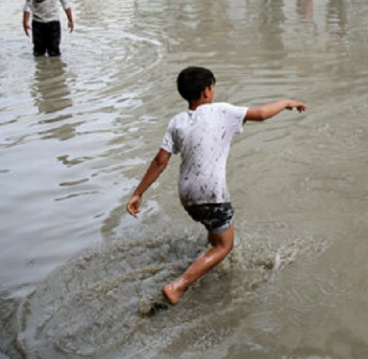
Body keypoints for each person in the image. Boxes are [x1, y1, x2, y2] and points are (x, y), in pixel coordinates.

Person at [126, 66, 307, 312]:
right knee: (225, 246)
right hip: (211, 192)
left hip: (186, 194)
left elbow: (160, 161)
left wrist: (138, 193)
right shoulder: (222, 110)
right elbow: (262, 114)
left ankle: (207, 263)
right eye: (212, 86)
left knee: (214, 232)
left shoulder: (176, 121)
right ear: (206, 91)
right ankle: (178, 286)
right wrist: (287, 102)